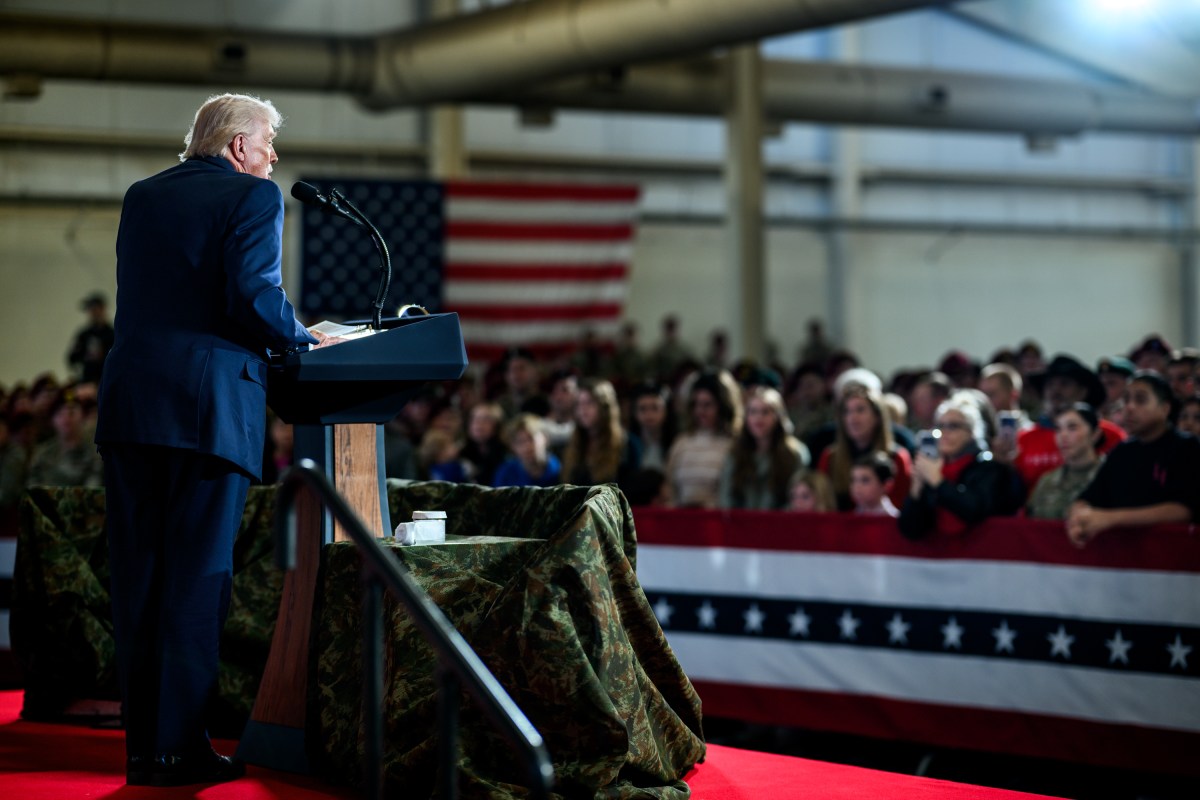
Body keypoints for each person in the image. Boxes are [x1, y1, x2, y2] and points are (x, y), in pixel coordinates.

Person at [94, 93, 339, 787]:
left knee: (138, 581)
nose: (272, 159)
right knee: (197, 580)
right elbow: (252, 292)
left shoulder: (143, 196)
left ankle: (144, 748)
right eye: (267, 145)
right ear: (238, 148)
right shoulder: (253, 198)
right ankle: (179, 752)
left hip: (133, 408)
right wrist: (302, 338)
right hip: (206, 414)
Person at [1067, 371, 1200, 547]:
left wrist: (1111, 519)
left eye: (1140, 400)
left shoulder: (1187, 447)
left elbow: (1183, 510)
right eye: (1126, 400)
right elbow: (1090, 497)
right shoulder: (1122, 452)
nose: (1129, 407)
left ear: (1165, 408)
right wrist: (1079, 518)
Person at [898, 391, 1022, 539]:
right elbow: (910, 530)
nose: (944, 433)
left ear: (971, 432)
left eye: (953, 426)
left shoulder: (988, 467)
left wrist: (939, 482)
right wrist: (916, 489)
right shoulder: (934, 468)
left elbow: (975, 511)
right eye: (940, 426)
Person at [1013, 354, 1125, 493]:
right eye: (1049, 384)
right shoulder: (1023, 440)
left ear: (1083, 392)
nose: (1055, 390)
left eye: (1064, 384)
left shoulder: (1111, 435)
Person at [816, 384, 912, 512]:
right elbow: (823, 503)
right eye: (847, 411)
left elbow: (901, 506)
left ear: (877, 416)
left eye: (860, 410)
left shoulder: (897, 457)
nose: (852, 418)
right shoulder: (830, 457)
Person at [717, 385, 809, 510]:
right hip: (741, 524)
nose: (758, 418)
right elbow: (726, 497)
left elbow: (797, 498)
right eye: (753, 412)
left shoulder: (795, 453)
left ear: (777, 416)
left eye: (765, 412)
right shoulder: (735, 453)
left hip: (781, 524)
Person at [663, 369, 741, 508]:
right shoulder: (681, 443)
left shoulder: (733, 445)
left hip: (716, 523)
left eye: (707, 405)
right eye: (696, 404)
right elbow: (670, 489)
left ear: (723, 406)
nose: (700, 411)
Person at [1025, 403, 1105, 520]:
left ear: (1095, 434)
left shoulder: (1112, 476)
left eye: (1072, 428)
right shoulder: (1046, 482)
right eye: (1058, 429)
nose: (1063, 436)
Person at [560, 377, 641, 490]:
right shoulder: (574, 444)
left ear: (605, 407)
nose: (583, 409)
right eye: (579, 404)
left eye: (589, 403)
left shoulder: (627, 444)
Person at [27, 388, 104, 488]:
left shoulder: (95, 452)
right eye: (60, 413)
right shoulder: (43, 453)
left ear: (82, 416)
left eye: (71, 412)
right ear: (52, 421)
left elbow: (93, 487)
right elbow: (32, 487)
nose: (66, 417)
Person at [493, 413, 561, 488]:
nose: (527, 446)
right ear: (512, 447)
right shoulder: (505, 473)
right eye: (520, 442)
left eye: (531, 438)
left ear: (545, 438)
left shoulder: (561, 470)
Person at [628, 380, 678, 472]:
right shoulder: (628, 445)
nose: (649, 414)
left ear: (666, 411)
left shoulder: (677, 444)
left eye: (655, 408)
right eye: (643, 409)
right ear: (634, 412)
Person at [67, 292, 116, 384]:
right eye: (90, 310)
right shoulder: (84, 335)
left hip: (106, 381)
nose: (92, 312)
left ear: (102, 309)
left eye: (95, 309)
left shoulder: (112, 334)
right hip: (87, 382)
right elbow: (72, 359)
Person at [460, 402, 506, 486]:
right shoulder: (460, 453)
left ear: (497, 425)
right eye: (475, 419)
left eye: (486, 420)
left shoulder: (506, 456)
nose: (478, 424)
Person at [850, 452, 899, 517]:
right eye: (854, 480)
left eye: (865, 480)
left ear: (887, 485)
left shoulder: (894, 520)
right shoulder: (852, 516)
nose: (856, 487)